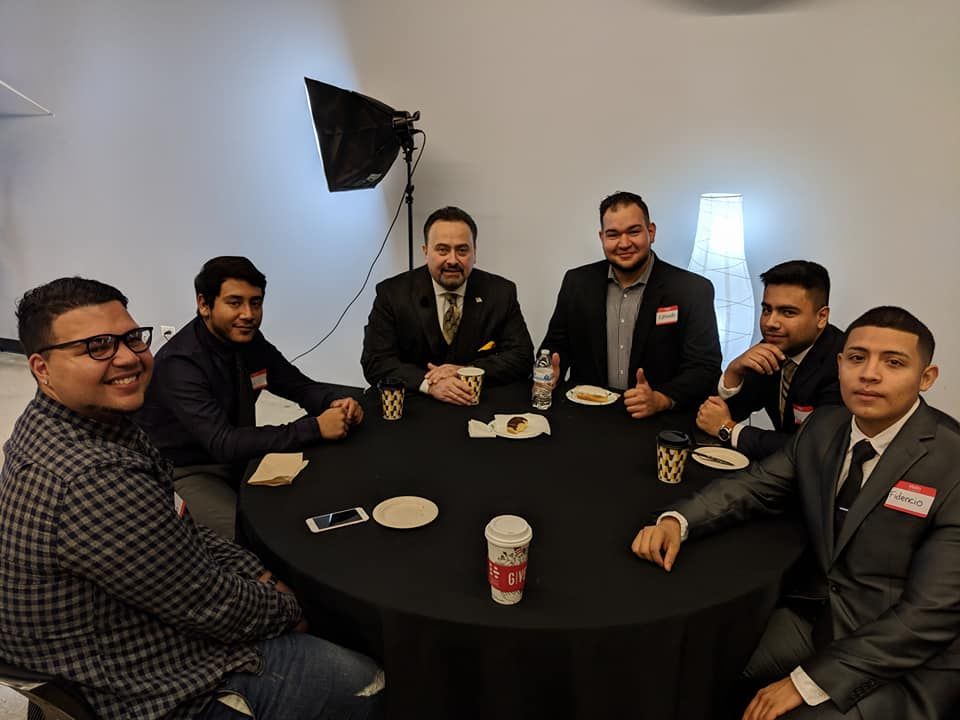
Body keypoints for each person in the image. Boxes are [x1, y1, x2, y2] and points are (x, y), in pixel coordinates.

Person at [0, 277, 384, 720]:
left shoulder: (80, 423)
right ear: (41, 369)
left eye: (130, 338)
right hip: (141, 685)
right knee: (365, 678)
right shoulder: (94, 478)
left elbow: (180, 529)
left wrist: (258, 571)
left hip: (122, 621)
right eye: (96, 346)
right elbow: (209, 603)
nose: (126, 357)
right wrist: (290, 606)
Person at [632, 306, 960, 719]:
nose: (870, 374)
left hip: (904, 659)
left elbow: (928, 617)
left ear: (926, 378)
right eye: (857, 358)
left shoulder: (951, 463)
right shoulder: (826, 425)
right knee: (688, 667)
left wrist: (808, 680)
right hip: (813, 618)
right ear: (840, 363)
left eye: (893, 363)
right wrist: (676, 521)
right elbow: (754, 485)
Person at [135, 256, 362, 539]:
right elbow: (223, 443)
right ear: (204, 304)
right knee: (257, 535)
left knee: (312, 502)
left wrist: (333, 402)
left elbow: (297, 385)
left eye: (255, 302)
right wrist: (315, 427)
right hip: (185, 471)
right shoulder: (180, 364)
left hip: (238, 457)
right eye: (235, 302)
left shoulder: (248, 340)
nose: (248, 314)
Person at [540, 191, 721, 418]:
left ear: (651, 232)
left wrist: (661, 399)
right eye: (613, 234)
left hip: (659, 422)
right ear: (602, 237)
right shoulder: (577, 282)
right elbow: (555, 345)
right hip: (587, 419)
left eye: (634, 232)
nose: (624, 243)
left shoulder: (692, 290)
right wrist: (550, 369)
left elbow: (705, 367)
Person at [361, 206, 534, 404]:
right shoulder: (392, 293)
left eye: (462, 250)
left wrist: (465, 371)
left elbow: (522, 358)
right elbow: (375, 362)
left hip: (477, 405)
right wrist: (430, 384)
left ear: (474, 253)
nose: (452, 260)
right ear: (426, 252)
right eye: (442, 250)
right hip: (415, 407)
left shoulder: (501, 292)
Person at [696, 260, 845, 459]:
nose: (770, 322)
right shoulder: (772, 348)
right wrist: (734, 372)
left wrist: (729, 429)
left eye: (788, 312)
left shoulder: (843, 365)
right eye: (767, 310)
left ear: (821, 317)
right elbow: (714, 415)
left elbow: (812, 449)